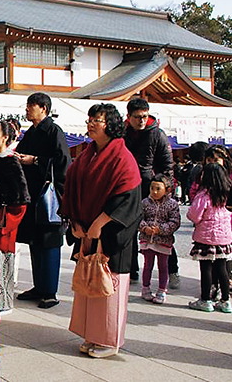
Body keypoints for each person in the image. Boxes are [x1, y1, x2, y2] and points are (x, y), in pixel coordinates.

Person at [62, 103, 142, 359]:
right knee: (89, 286)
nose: (91, 123)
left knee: (110, 286)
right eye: (90, 119)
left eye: (97, 119)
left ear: (111, 125)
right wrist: (75, 221)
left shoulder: (122, 157)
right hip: (86, 230)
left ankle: (108, 340)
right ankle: (90, 334)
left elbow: (128, 196)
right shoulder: (87, 154)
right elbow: (72, 187)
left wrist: (101, 222)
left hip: (112, 231)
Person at [15, 92, 70, 309]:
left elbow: (63, 161)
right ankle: (39, 286)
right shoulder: (33, 131)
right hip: (33, 194)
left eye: (31, 106)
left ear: (44, 109)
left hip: (49, 196)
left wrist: (36, 160)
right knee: (35, 242)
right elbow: (23, 152)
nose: (27, 109)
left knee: (49, 244)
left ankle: (50, 291)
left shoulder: (54, 130)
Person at [124, 98, 174, 283]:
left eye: (144, 116)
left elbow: (167, 165)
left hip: (151, 188)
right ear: (129, 117)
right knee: (128, 229)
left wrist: (165, 190)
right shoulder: (122, 133)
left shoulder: (157, 134)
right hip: (128, 187)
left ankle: (172, 270)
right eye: (137, 117)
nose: (141, 120)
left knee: (159, 230)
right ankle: (131, 269)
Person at [0, 120, 30, 312]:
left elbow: (21, 199)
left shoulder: (11, 162)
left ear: (5, 138)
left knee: (2, 260)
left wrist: (6, 222)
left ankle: (2, 302)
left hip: (3, 219)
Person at [187, 163, 232, 313]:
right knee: (222, 268)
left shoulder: (204, 195)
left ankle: (205, 300)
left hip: (206, 238)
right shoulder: (225, 193)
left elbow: (194, 216)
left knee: (206, 268)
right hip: (224, 238)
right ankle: (225, 301)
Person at [138, 174, 180, 304]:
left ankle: (162, 290)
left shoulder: (172, 204)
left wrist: (160, 229)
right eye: (152, 188)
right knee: (147, 265)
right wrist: (145, 228)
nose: (154, 191)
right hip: (148, 240)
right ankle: (145, 289)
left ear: (167, 190)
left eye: (158, 188)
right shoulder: (144, 202)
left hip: (164, 241)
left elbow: (175, 222)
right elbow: (138, 218)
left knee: (163, 266)